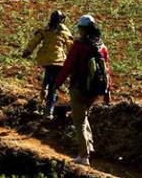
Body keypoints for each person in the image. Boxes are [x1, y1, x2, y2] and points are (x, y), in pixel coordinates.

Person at [55, 14, 112, 167]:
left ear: (82, 29)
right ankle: (89, 147)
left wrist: (57, 83)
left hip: (79, 87)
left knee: (78, 121)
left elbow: (68, 66)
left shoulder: (79, 46)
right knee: (84, 115)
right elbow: (106, 71)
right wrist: (107, 93)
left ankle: (83, 156)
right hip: (94, 91)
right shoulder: (102, 46)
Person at [22, 10, 74, 119]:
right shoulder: (64, 31)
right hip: (58, 61)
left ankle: (42, 101)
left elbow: (34, 41)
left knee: (48, 80)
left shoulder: (46, 29)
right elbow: (71, 47)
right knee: (53, 87)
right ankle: (49, 111)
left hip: (46, 60)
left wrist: (27, 51)